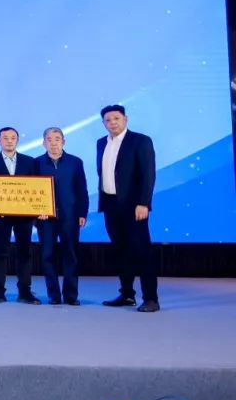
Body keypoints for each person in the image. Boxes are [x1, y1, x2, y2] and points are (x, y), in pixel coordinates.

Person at [96, 105, 158, 312]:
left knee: (141, 250)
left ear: (125, 119)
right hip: (110, 204)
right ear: (103, 123)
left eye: (116, 118)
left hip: (134, 206)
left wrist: (144, 203)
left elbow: (148, 174)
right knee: (120, 250)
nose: (112, 122)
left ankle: (151, 298)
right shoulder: (101, 143)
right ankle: (127, 294)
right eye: (108, 120)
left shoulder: (140, 141)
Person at [0, 127, 41, 304]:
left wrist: (38, 209)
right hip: (0, 215)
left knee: (24, 252)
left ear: (17, 140)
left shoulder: (29, 161)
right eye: (5, 138)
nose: (9, 141)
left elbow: (37, 187)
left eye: (13, 137)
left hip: (24, 215)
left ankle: (25, 291)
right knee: (0, 252)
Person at [34, 127, 88, 305]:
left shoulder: (75, 162)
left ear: (63, 142)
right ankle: (54, 296)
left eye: (57, 139)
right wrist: (36, 213)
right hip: (45, 219)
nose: (53, 143)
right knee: (47, 256)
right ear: (43, 143)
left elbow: (82, 189)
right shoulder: (36, 163)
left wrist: (82, 212)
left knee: (70, 255)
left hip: (70, 216)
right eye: (49, 139)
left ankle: (71, 296)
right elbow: (32, 191)